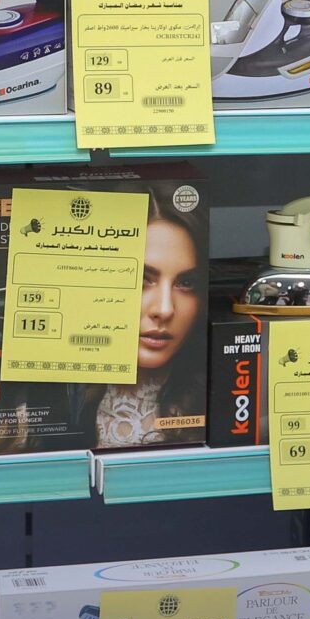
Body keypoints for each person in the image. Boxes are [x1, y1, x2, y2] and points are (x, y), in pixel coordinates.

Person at [83, 192, 207, 448]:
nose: (164, 309)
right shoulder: (32, 409)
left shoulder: (222, 396)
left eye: (186, 283)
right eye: (141, 279)